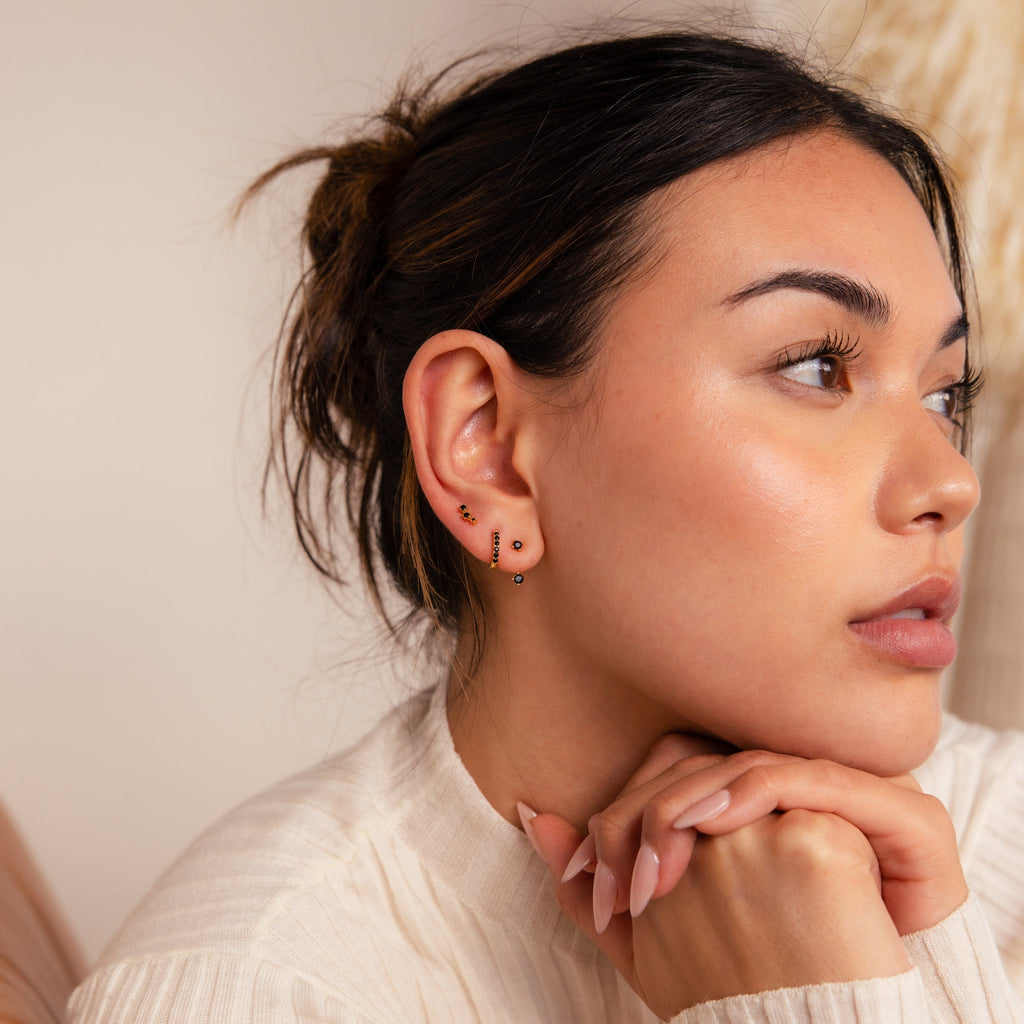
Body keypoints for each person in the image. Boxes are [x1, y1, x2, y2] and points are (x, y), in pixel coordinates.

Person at [67, 29, 1024, 1024]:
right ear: (487, 446)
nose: (949, 482)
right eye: (815, 364)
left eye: (945, 394)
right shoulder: (260, 986)